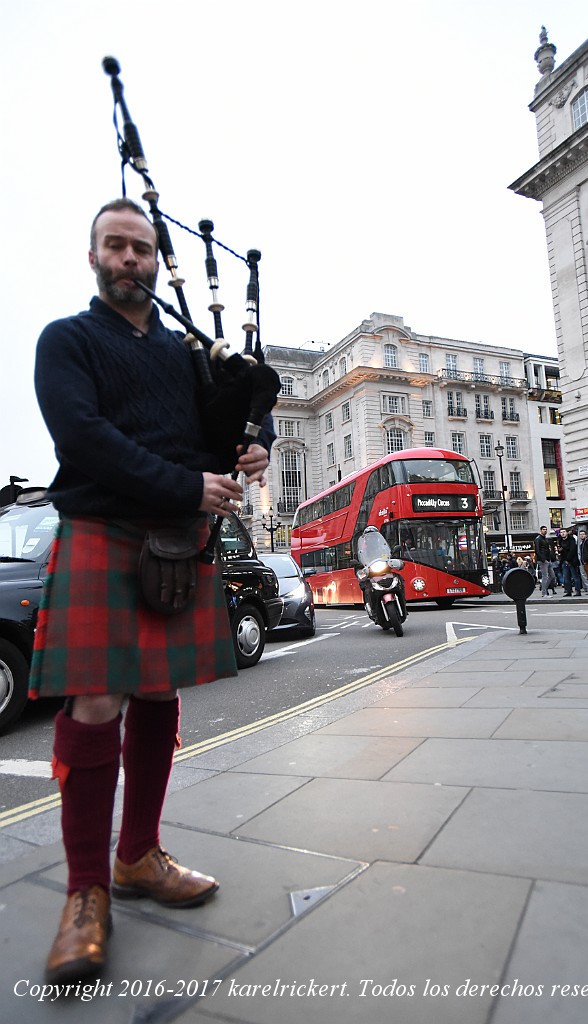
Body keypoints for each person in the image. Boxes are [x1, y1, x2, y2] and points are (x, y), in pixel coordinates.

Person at [31, 198, 276, 984]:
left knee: (160, 693)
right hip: (105, 528)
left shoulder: (180, 352)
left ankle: (137, 855)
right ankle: (84, 894)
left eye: (142, 247)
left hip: (176, 538)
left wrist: (254, 439)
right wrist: (188, 485)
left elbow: (234, 408)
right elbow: (84, 441)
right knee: (97, 699)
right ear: (95, 256)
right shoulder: (66, 342)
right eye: (117, 246)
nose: (131, 259)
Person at [558, 527, 582, 596]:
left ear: (567, 532)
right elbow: (561, 550)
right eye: (561, 532)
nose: (562, 533)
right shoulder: (560, 540)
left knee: (575, 577)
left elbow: (572, 550)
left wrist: (568, 560)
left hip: (572, 561)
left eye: (564, 532)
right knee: (566, 577)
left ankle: (578, 591)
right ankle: (568, 591)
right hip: (564, 561)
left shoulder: (571, 539)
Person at [534, 525, 554, 596]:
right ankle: (544, 592)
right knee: (545, 576)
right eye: (543, 529)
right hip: (543, 560)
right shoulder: (538, 539)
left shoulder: (544, 539)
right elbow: (537, 550)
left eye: (545, 529)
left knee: (552, 576)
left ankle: (544, 588)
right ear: (540, 530)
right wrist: (543, 559)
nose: (545, 531)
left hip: (547, 559)